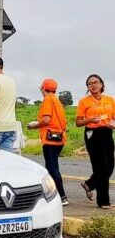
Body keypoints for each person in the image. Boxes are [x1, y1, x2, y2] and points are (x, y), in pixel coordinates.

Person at [27, 79, 68, 206]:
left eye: (41, 88)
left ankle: (62, 196)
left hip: (50, 139)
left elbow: (46, 120)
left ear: (43, 88)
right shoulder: (56, 100)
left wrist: (33, 126)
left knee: (52, 168)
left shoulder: (47, 100)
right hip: (60, 138)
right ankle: (51, 193)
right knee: (51, 167)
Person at [76, 74, 114, 209]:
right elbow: (78, 122)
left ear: (101, 84)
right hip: (92, 133)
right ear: (87, 87)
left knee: (110, 164)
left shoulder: (110, 100)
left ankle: (90, 184)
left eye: (95, 82)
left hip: (107, 132)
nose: (93, 85)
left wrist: (112, 123)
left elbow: (114, 118)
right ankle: (103, 201)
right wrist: (90, 120)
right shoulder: (84, 102)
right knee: (100, 167)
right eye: (89, 83)